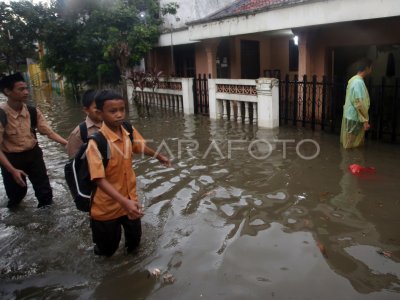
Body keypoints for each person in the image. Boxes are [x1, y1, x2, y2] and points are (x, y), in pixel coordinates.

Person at [86, 90, 171, 257]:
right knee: (107, 251)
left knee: (134, 244)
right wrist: (124, 202)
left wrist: (159, 156)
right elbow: (99, 180)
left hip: (130, 203)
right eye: (113, 111)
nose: (119, 115)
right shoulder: (97, 143)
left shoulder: (127, 130)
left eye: (122, 109)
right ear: (99, 113)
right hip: (106, 209)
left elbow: (140, 147)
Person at [0, 73, 68, 208]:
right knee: (16, 196)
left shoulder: (32, 111)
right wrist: (12, 170)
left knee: (45, 194)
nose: (26, 92)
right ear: (7, 91)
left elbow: (49, 132)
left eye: (26, 88)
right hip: (11, 159)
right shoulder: (1, 114)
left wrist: (68, 143)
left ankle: (48, 224)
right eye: (21, 89)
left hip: (33, 155)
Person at [340, 58, 372, 149]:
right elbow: (359, 102)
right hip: (355, 118)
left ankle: (348, 161)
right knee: (351, 145)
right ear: (367, 68)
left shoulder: (353, 80)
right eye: (371, 67)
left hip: (350, 116)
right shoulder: (358, 82)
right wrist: (365, 121)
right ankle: (349, 162)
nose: (371, 70)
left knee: (350, 144)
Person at [66, 89, 102, 158]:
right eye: (97, 107)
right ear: (86, 110)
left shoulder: (112, 125)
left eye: (103, 106)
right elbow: (74, 161)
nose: (101, 110)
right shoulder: (79, 133)